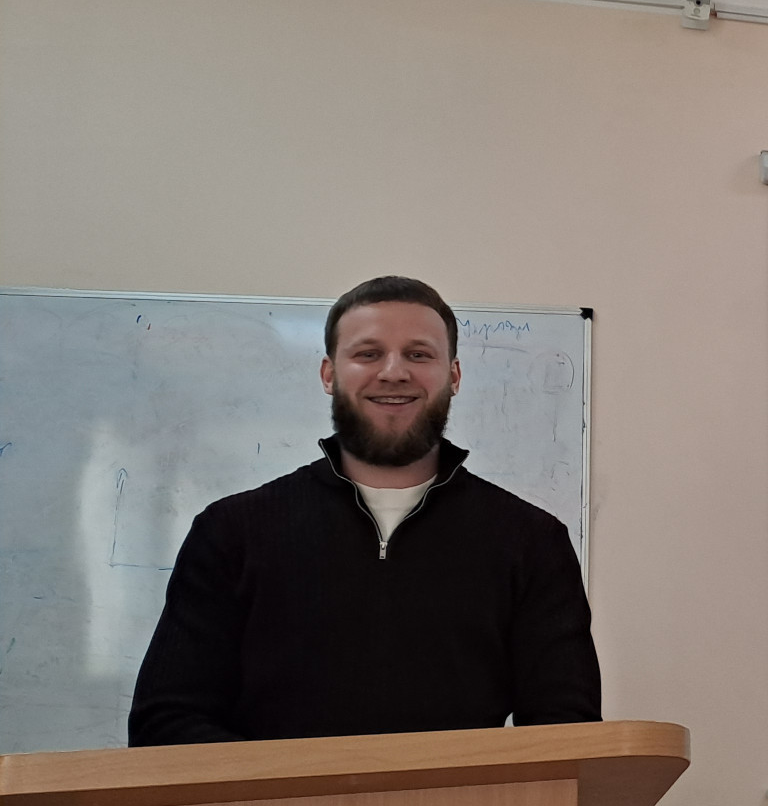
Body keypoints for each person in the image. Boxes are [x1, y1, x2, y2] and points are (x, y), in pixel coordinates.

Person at [128, 275, 601, 744]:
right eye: (368, 354)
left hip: (457, 799)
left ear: (454, 376)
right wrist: (296, 785)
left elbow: (566, 733)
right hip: (275, 798)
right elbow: (165, 723)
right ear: (329, 374)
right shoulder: (233, 531)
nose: (394, 372)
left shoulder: (530, 541)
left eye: (419, 354)